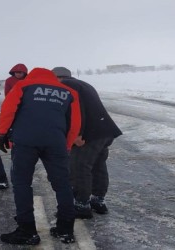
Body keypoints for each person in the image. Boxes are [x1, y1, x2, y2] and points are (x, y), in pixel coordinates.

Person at [0, 68, 81, 245]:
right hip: (55, 142)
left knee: (22, 183)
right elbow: (74, 122)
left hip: (25, 141)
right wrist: (66, 144)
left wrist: (2, 134)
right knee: (62, 184)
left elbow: (8, 109)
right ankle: (65, 229)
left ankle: (27, 231)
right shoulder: (69, 92)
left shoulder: (23, 86)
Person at [52, 67, 123, 219]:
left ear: (57, 77)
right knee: (98, 166)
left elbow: (77, 110)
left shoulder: (67, 86)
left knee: (79, 167)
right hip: (105, 131)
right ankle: (98, 201)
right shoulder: (84, 84)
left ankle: (81, 205)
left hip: (88, 135)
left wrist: (77, 134)